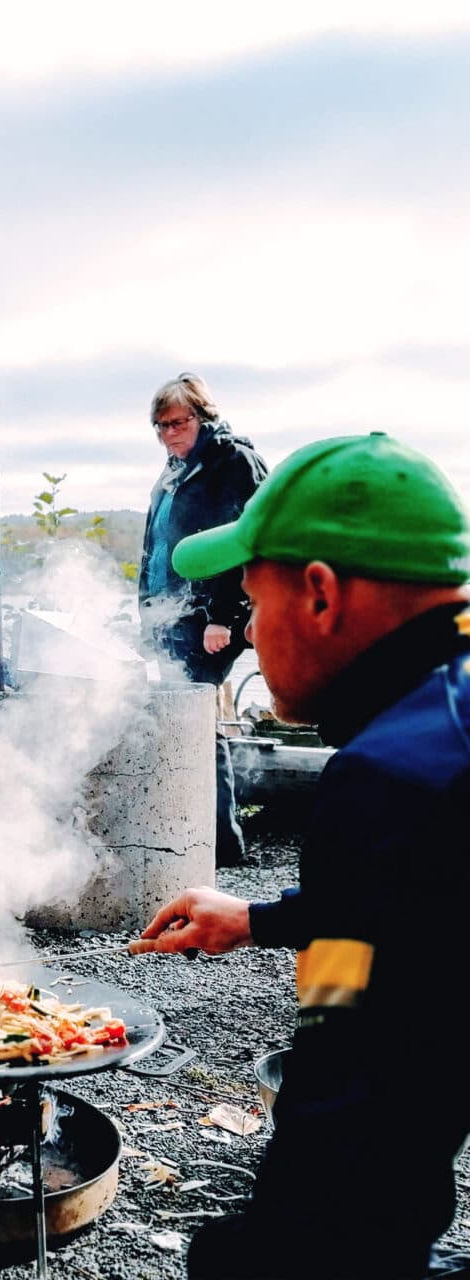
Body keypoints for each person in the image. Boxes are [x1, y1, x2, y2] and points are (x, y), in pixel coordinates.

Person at [131, 433, 470, 1279]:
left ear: (319, 592)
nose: (244, 636)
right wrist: (258, 918)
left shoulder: (396, 777)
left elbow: (358, 1136)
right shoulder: (447, 717)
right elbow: (423, 911)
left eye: (250, 603)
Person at [138, 372, 267, 865]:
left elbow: (246, 542)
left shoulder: (232, 460)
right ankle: (194, 830)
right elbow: (156, 547)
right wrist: (145, 614)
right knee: (182, 719)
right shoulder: (173, 469)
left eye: (178, 422)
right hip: (169, 615)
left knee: (196, 722)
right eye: (161, 426)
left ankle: (220, 841)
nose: (170, 433)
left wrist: (223, 615)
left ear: (203, 416)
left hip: (208, 618)